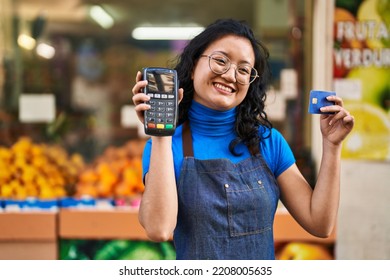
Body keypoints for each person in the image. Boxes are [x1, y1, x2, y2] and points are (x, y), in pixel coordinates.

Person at [131, 19, 354, 260]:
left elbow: (319, 223)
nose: (230, 75)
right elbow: (159, 229)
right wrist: (163, 134)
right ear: (194, 65)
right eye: (220, 61)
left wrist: (332, 147)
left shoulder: (268, 141)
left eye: (244, 69)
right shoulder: (163, 146)